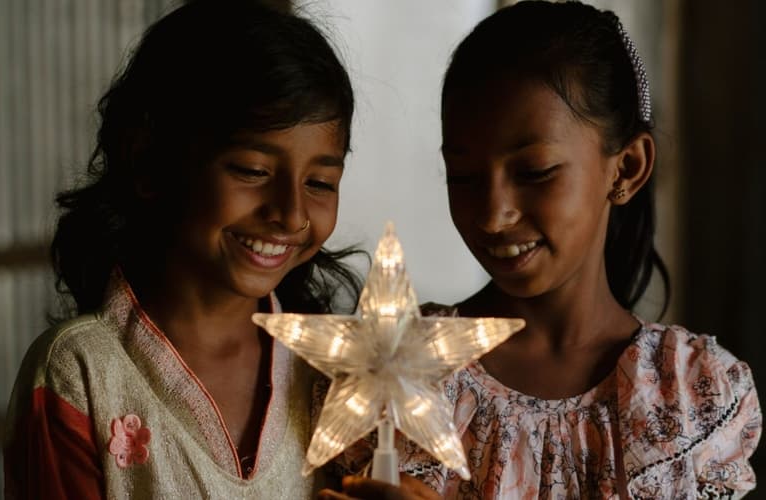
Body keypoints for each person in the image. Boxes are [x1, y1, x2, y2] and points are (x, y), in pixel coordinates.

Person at [320, 1, 761, 498]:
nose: (492, 215)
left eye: (534, 173)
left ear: (628, 167)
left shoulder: (692, 393)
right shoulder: (395, 375)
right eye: (463, 177)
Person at [3, 1, 363, 498]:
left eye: (321, 182)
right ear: (150, 162)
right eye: (253, 171)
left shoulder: (334, 369)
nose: (291, 213)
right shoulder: (80, 371)